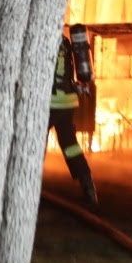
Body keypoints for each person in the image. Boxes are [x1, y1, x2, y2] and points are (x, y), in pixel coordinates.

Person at [50, 28, 99, 206]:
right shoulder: (65, 41)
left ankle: (26, 184)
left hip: (50, 102)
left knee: (32, 143)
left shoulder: (41, 38)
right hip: (67, 101)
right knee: (70, 144)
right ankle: (88, 186)